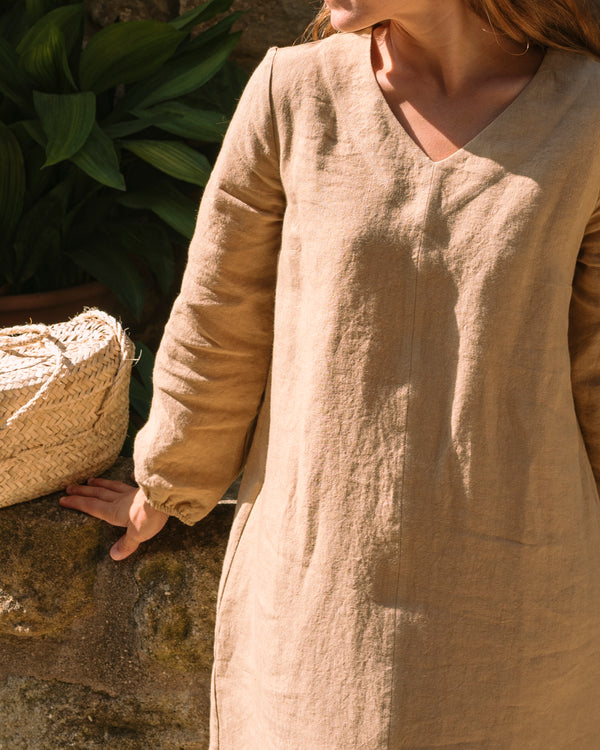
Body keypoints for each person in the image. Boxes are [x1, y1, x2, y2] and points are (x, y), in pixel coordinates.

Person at [60, 0, 600, 746]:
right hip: (323, 595)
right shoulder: (295, 94)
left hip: (521, 603)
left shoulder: (588, 115)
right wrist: (170, 483)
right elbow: (221, 314)